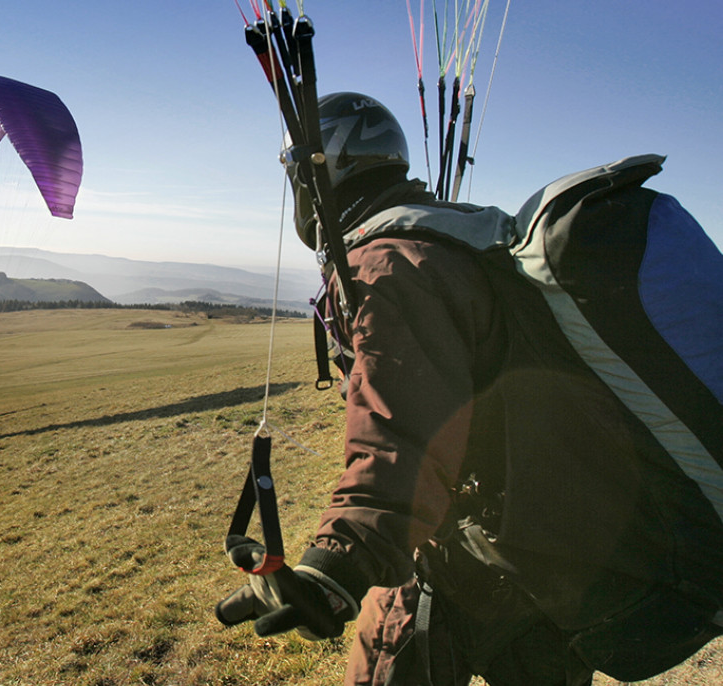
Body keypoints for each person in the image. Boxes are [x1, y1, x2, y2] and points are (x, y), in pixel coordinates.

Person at [215, 92, 723, 685]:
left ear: (323, 172)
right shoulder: (459, 236)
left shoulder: (389, 266)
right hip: (551, 555)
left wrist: (337, 565)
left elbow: (405, 433)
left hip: (473, 559)